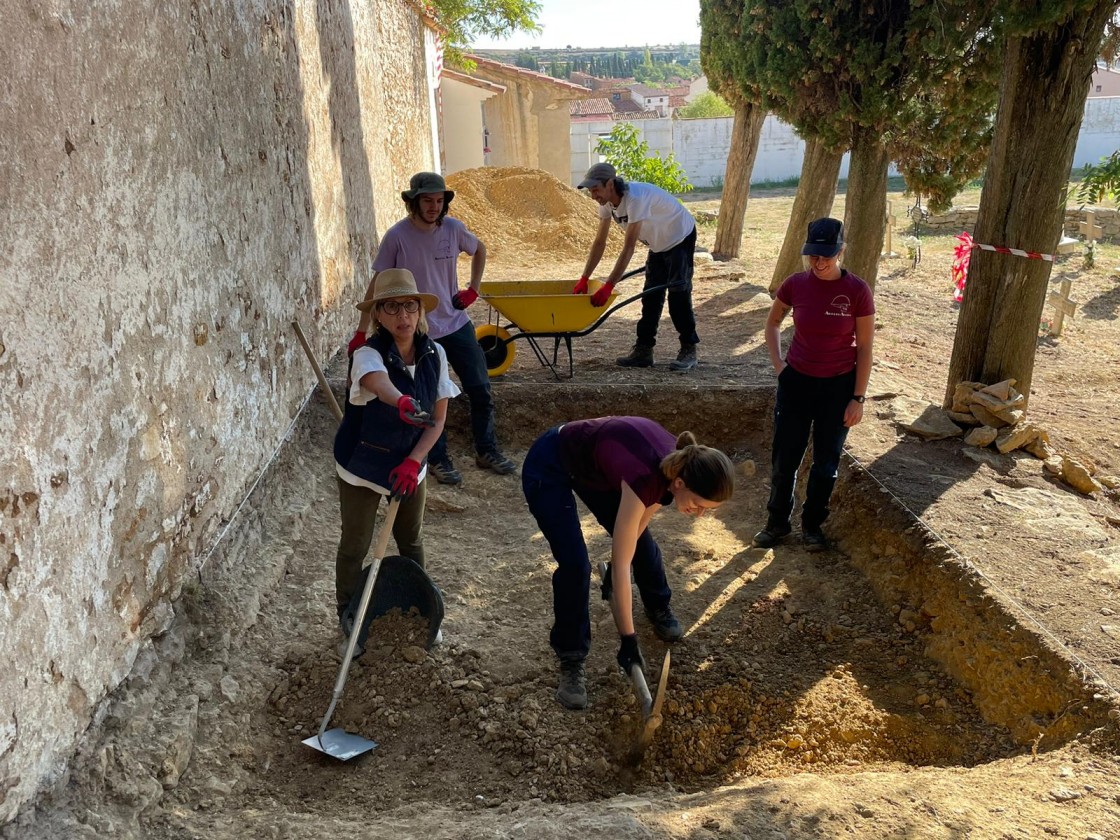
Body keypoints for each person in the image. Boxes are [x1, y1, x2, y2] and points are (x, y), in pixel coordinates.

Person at [522, 416, 735, 710]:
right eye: (699, 505)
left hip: (595, 468)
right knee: (575, 565)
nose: (699, 514)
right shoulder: (646, 478)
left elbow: (634, 534)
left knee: (642, 545)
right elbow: (622, 566)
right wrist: (628, 640)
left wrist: (618, 569)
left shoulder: (678, 465)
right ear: (680, 482)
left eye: (706, 510)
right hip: (550, 462)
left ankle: (658, 606)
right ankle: (571, 657)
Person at [351, 171, 516, 486]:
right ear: (413, 202)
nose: (434, 207)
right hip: (419, 330)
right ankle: (437, 458)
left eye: (439, 201)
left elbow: (479, 249)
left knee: (480, 388)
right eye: (427, 201)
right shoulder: (397, 236)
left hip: (456, 323)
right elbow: (379, 282)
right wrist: (361, 331)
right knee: (426, 398)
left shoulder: (453, 230)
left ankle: (487, 449)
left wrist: (473, 288)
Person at [334, 268, 459, 650]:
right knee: (355, 544)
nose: (402, 316)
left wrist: (415, 461)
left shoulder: (435, 354)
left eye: (409, 306)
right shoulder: (368, 354)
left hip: (409, 465)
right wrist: (400, 401)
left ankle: (422, 612)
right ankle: (348, 618)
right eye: (391, 308)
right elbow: (377, 382)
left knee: (411, 539)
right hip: (362, 466)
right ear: (379, 316)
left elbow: (437, 421)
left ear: (420, 311)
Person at [753, 218, 875, 552]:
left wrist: (858, 398)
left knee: (826, 464)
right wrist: (780, 366)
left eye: (826, 255)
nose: (819, 263)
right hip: (797, 383)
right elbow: (773, 322)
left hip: (838, 388)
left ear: (841, 251)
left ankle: (811, 526)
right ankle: (777, 523)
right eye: (813, 255)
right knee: (785, 459)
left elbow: (864, 347)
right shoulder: (795, 284)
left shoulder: (857, 291)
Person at [573, 162, 701, 372]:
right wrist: (584, 277)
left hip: (679, 236)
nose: (593, 195)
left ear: (610, 184)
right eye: (590, 191)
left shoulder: (636, 199)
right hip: (657, 243)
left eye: (596, 189)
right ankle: (643, 351)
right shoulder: (606, 203)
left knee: (678, 293)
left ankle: (689, 349)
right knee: (650, 296)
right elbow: (599, 242)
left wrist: (608, 286)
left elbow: (629, 247)